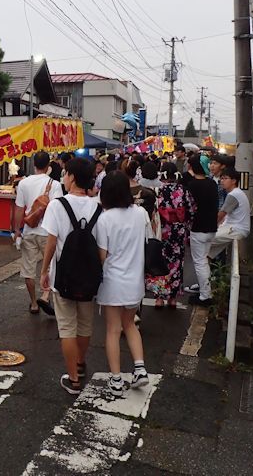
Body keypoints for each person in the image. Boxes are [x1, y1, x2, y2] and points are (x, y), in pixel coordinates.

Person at [39, 158, 100, 395]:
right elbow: (102, 248)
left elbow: (51, 243)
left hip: (63, 276)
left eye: (65, 174)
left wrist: (44, 271)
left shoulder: (57, 205)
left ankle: (73, 378)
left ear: (72, 177)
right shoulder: (98, 207)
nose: (63, 177)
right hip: (88, 277)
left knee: (67, 328)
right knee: (85, 324)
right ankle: (81, 362)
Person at [94, 171, 150, 398]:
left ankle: (116, 379)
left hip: (112, 282)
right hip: (135, 281)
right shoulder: (140, 213)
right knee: (130, 325)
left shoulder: (105, 219)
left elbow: (102, 255)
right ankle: (140, 368)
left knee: (113, 330)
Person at [14, 151, 63, 315]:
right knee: (50, 266)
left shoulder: (23, 183)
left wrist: (16, 231)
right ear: (48, 165)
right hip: (47, 232)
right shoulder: (54, 184)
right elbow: (57, 210)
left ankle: (34, 303)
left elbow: (19, 208)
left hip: (29, 230)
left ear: (34, 164)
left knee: (28, 269)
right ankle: (46, 294)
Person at [149, 163, 193, 309]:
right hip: (178, 231)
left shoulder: (158, 190)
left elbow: (153, 211)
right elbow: (191, 210)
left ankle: (159, 298)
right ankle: (172, 298)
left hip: (162, 231)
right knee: (176, 264)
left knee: (160, 264)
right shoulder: (183, 190)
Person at [183, 158, 220, 306]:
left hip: (198, 228)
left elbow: (188, 208)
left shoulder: (191, 186)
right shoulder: (212, 183)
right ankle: (204, 288)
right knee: (204, 260)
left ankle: (205, 296)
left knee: (200, 262)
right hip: (211, 226)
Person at [208, 168, 251, 259]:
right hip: (233, 227)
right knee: (207, 253)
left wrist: (209, 226)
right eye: (221, 179)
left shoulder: (233, 194)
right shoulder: (237, 193)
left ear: (234, 181)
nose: (222, 181)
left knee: (204, 239)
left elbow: (221, 215)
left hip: (236, 229)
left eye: (225, 178)